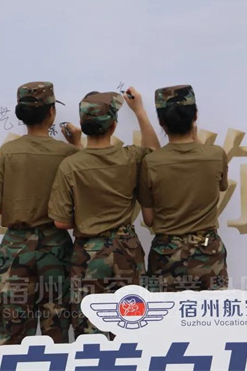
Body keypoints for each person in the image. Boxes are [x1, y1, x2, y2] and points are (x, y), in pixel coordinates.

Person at [48, 87, 160, 337]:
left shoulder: (70, 166)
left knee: (89, 330)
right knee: (134, 326)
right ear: (114, 125)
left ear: (82, 125)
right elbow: (154, 153)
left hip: (88, 255)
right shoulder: (130, 157)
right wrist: (140, 111)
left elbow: (61, 222)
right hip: (126, 250)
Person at [0, 81, 82, 346]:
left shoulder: (8, 152)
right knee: (57, 327)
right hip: (55, 247)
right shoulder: (67, 153)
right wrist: (77, 144)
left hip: (16, 249)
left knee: (13, 331)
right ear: (51, 112)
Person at [138, 85, 229, 293]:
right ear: (195, 115)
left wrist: (139, 112)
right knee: (212, 311)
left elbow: (149, 219)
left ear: (161, 122)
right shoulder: (216, 155)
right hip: (208, 252)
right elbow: (221, 185)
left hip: (166, 256)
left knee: (163, 313)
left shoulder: (151, 162)